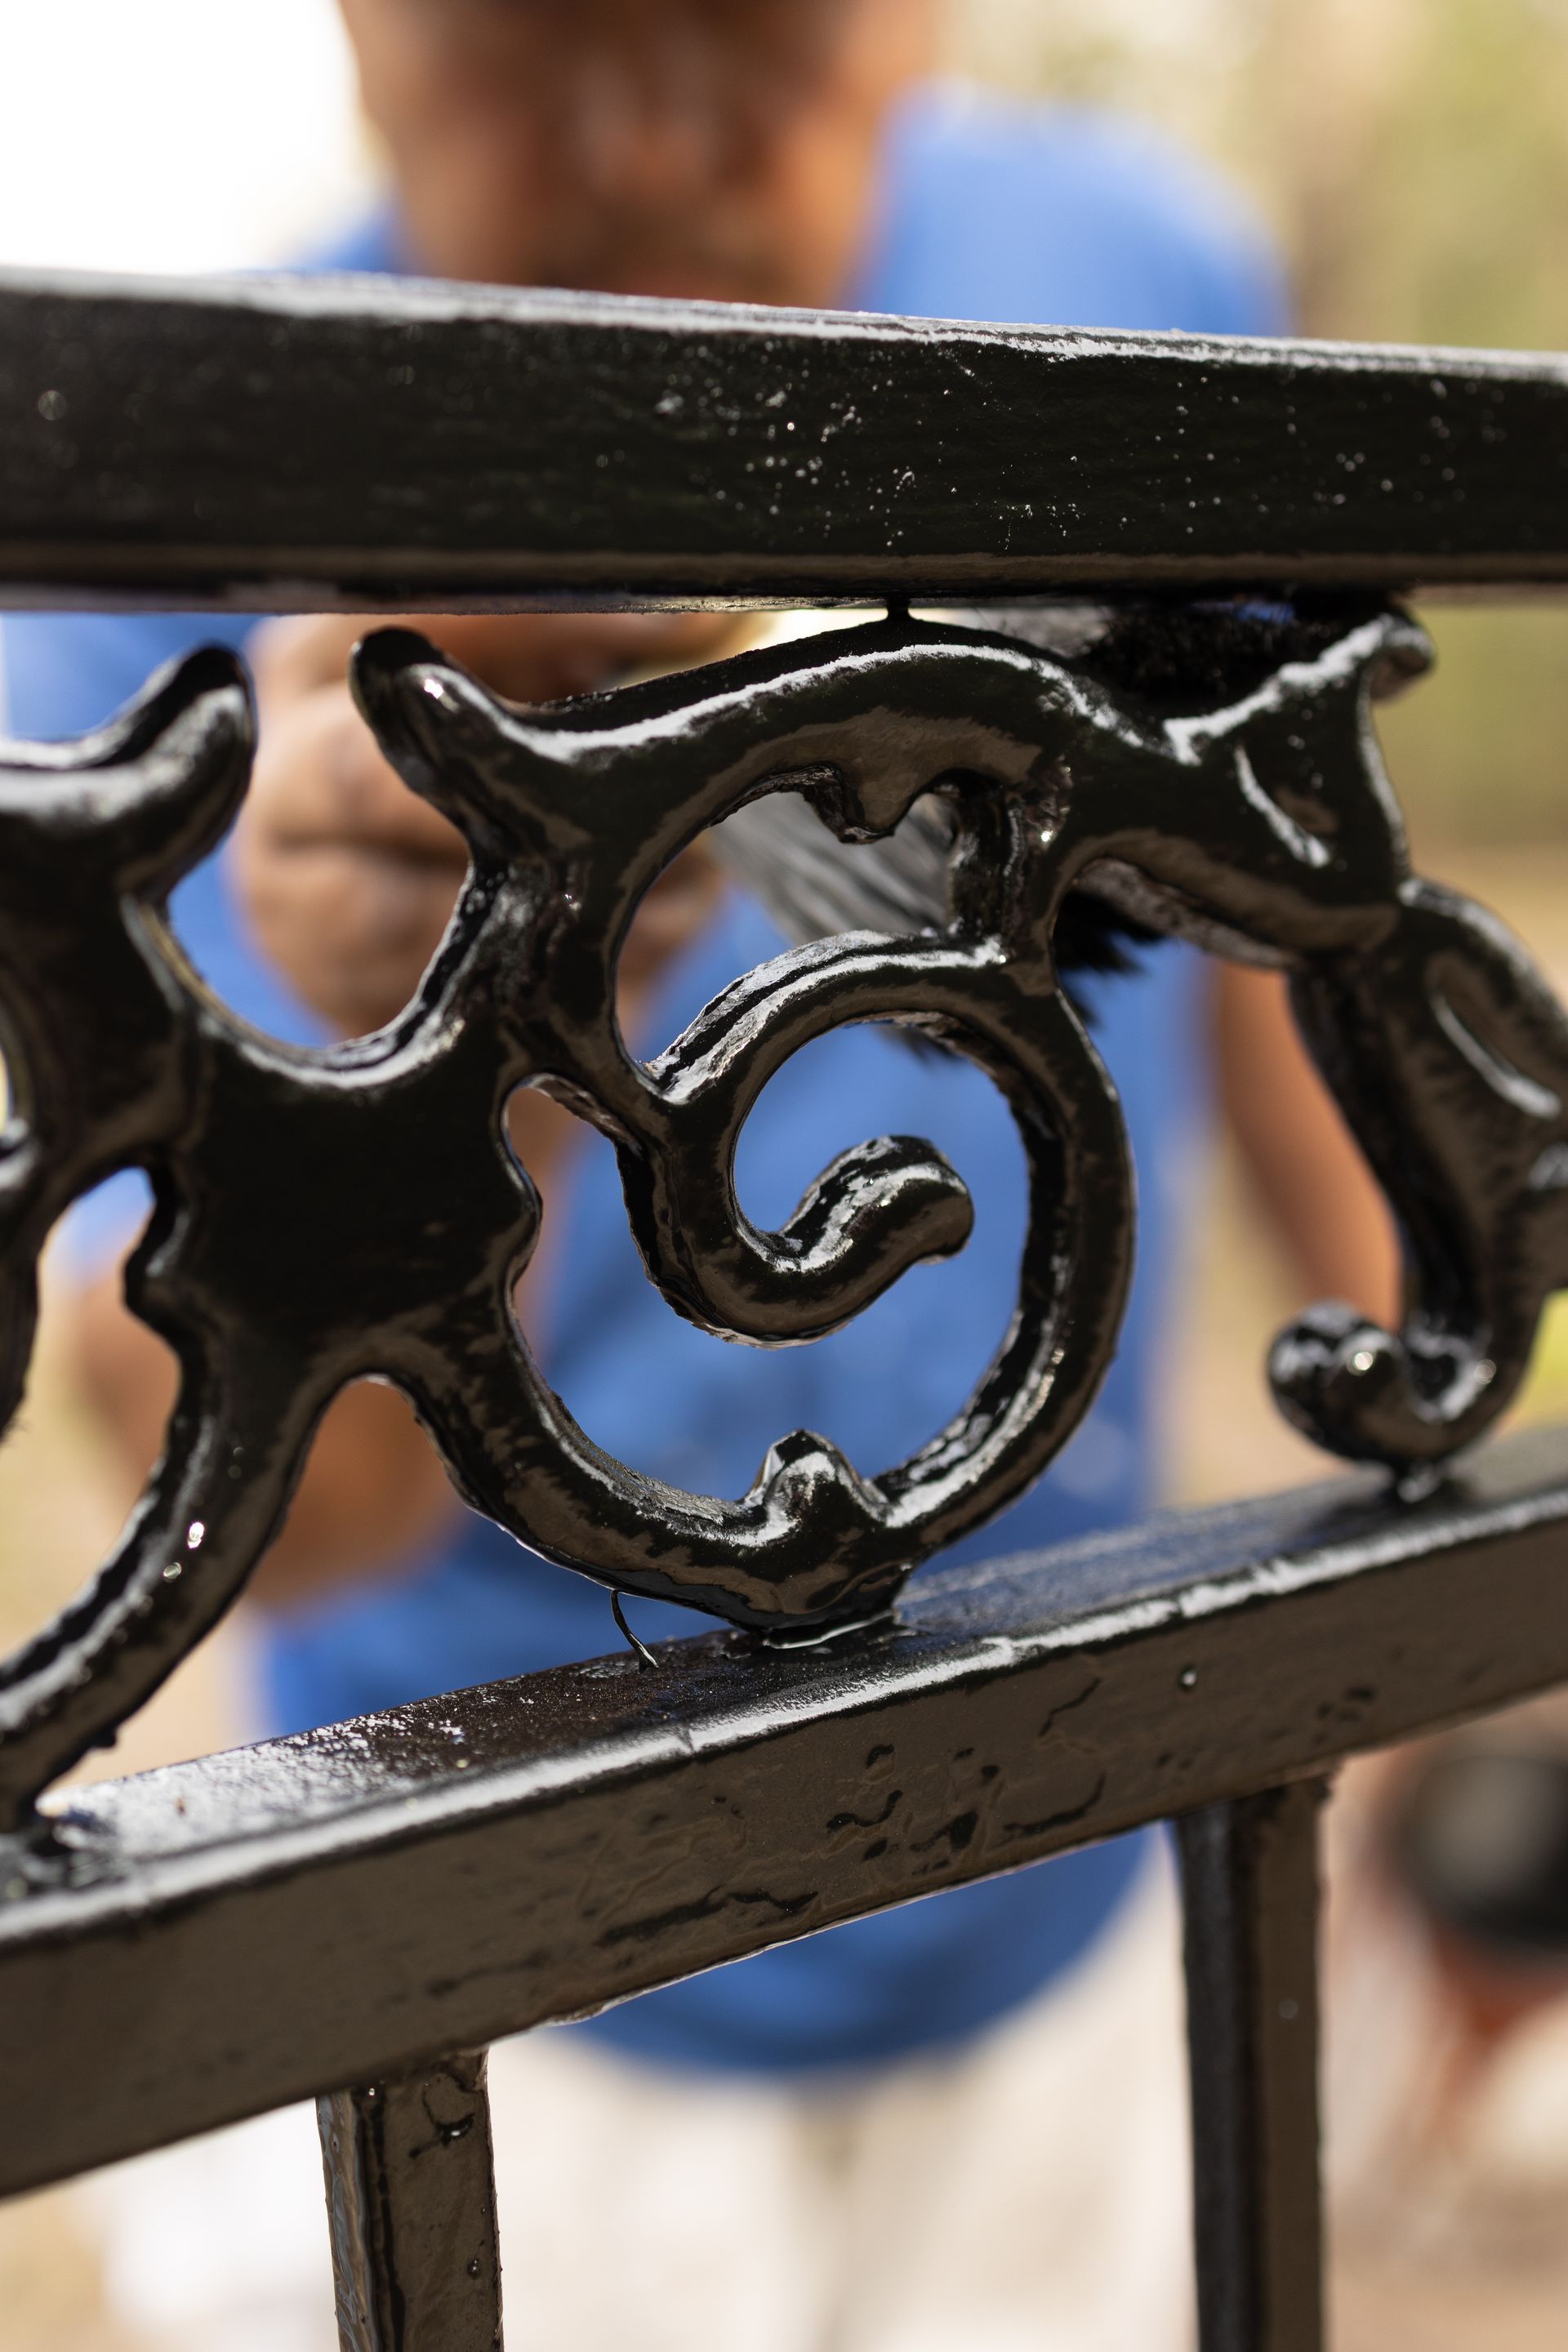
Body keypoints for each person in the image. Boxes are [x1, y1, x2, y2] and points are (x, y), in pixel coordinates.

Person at [0, 5, 1396, 2346]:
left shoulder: (1134, 292)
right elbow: (229, 1493)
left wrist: (1418, 1482)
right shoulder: (167, 522)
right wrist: (402, 1045)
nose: (650, 150)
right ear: (361, 35)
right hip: (490, 1957)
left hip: (1080, 1830)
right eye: (532, 45)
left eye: (752, 33)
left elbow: (1280, 967)